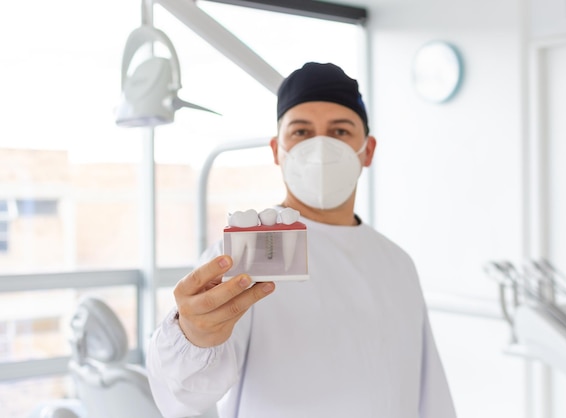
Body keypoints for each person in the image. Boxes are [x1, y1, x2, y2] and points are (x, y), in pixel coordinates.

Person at [146, 62, 457, 418]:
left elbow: (429, 392)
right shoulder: (248, 256)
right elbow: (186, 394)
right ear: (278, 150)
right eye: (301, 132)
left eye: (339, 131)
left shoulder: (397, 263)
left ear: (367, 151)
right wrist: (193, 336)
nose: (321, 146)